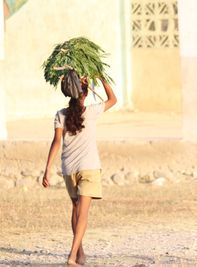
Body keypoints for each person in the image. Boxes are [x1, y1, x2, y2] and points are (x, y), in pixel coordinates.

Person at [42, 70, 117, 266]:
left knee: (76, 210)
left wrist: (47, 169)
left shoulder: (60, 115)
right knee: (83, 214)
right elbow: (113, 99)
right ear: (85, 93)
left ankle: (80, 253)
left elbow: (56, 142)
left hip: (69, 169)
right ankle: (72, 256)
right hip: (89, 168)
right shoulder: (91, 111)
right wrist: (100, 77)